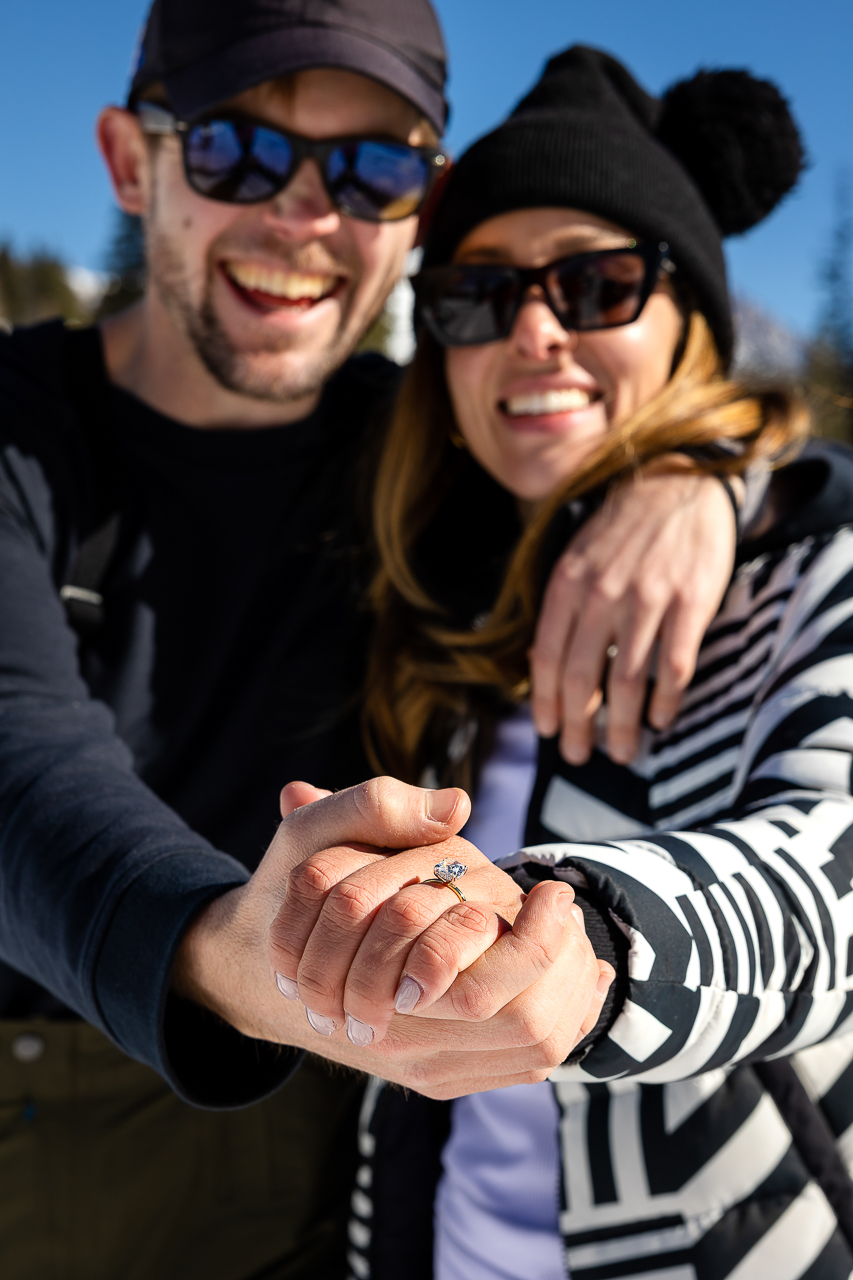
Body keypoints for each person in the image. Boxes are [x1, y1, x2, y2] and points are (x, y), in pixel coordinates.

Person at [0, 2, 759, 1275]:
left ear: (419, 204)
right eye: (236, 151)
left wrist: (696, 477)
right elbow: (17, 757)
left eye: (372, 165)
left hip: (327, 1161)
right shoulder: (20, 428)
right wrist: (224, 945)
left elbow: (625, 411)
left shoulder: (424, 458)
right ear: (133, 162)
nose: (304, 215)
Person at [268, 46, 853, 1280]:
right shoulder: (444, 594)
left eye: (593, 285)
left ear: (688, 312)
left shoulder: (812, 560)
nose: (531, 332)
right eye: (478, 295)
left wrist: (592, 935)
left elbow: (831, 875)